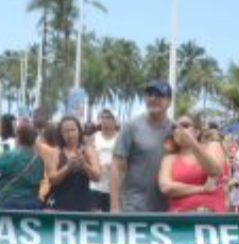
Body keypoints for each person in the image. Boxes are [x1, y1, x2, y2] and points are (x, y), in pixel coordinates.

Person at [111, 81, 176, 213]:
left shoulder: (175, 130)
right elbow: (116, 167)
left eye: (159, 95)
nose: (153, 98)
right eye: (149, 95)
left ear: (169, 101)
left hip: (167, 208)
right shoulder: (131, 126)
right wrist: (114, 207)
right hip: (134, 206)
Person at [158, 114, 228, 213]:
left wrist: (192, 143)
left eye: (185, 126)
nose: (179, 130)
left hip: (211, 214)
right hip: (180, 217)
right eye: (174, 128)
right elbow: (166, 187)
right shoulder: (169, 158)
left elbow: (214, 171)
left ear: (197, 132)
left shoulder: (212, 146)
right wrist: (202, 189)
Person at [41, 116, 102, 212]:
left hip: (82, 202)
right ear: (61, 134)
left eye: (73, 130)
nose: (70, 134)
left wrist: (84, 164)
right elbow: (52, 179)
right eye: (66, 131)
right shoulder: (56, 152)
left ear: (79, 131)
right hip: (59, 202)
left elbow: (97, 177)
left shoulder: (88, 150)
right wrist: (67, 168)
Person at [0, 121, 44, 211]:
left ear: (18, 137)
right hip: (32, 202)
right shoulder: (39, 159)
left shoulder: (9, 155)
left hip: (10, 200)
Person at [90, 109, 119, 212]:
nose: (106, 120)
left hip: (114, 186)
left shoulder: (120, 137)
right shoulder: (94, 137)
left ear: (115, 121)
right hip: (95, 186)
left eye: (109, 118)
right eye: (103, 118)